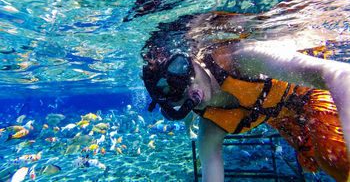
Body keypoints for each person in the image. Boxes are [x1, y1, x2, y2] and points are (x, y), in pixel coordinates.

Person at [142, 12, 350, 182]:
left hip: (306, 94)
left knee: (335, 159)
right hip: (281, 117)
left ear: (193, 58)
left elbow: (339, 74)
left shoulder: (242, 60)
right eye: (174, 91)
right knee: (309, 162)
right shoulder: (211, 129)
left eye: (181, 68)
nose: (188, 86)